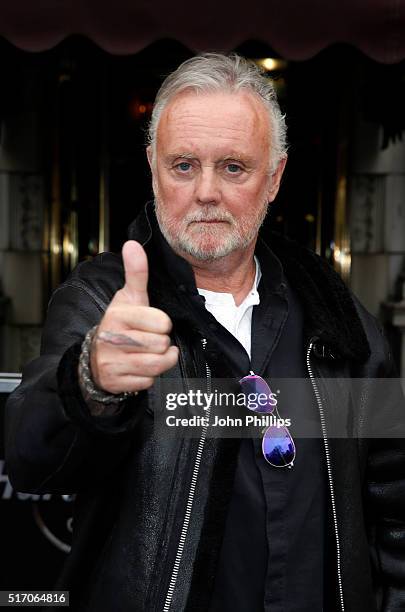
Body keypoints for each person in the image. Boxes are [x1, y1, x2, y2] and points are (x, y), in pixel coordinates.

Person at [4, 53, 405, 612]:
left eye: (234, 167)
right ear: (153, 168)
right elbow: (31, 459)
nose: (206, 192)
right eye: (184, 165)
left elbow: (392, 498)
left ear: (274, 178)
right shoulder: (101, 300)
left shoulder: (337, 317)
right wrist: (90, 379)